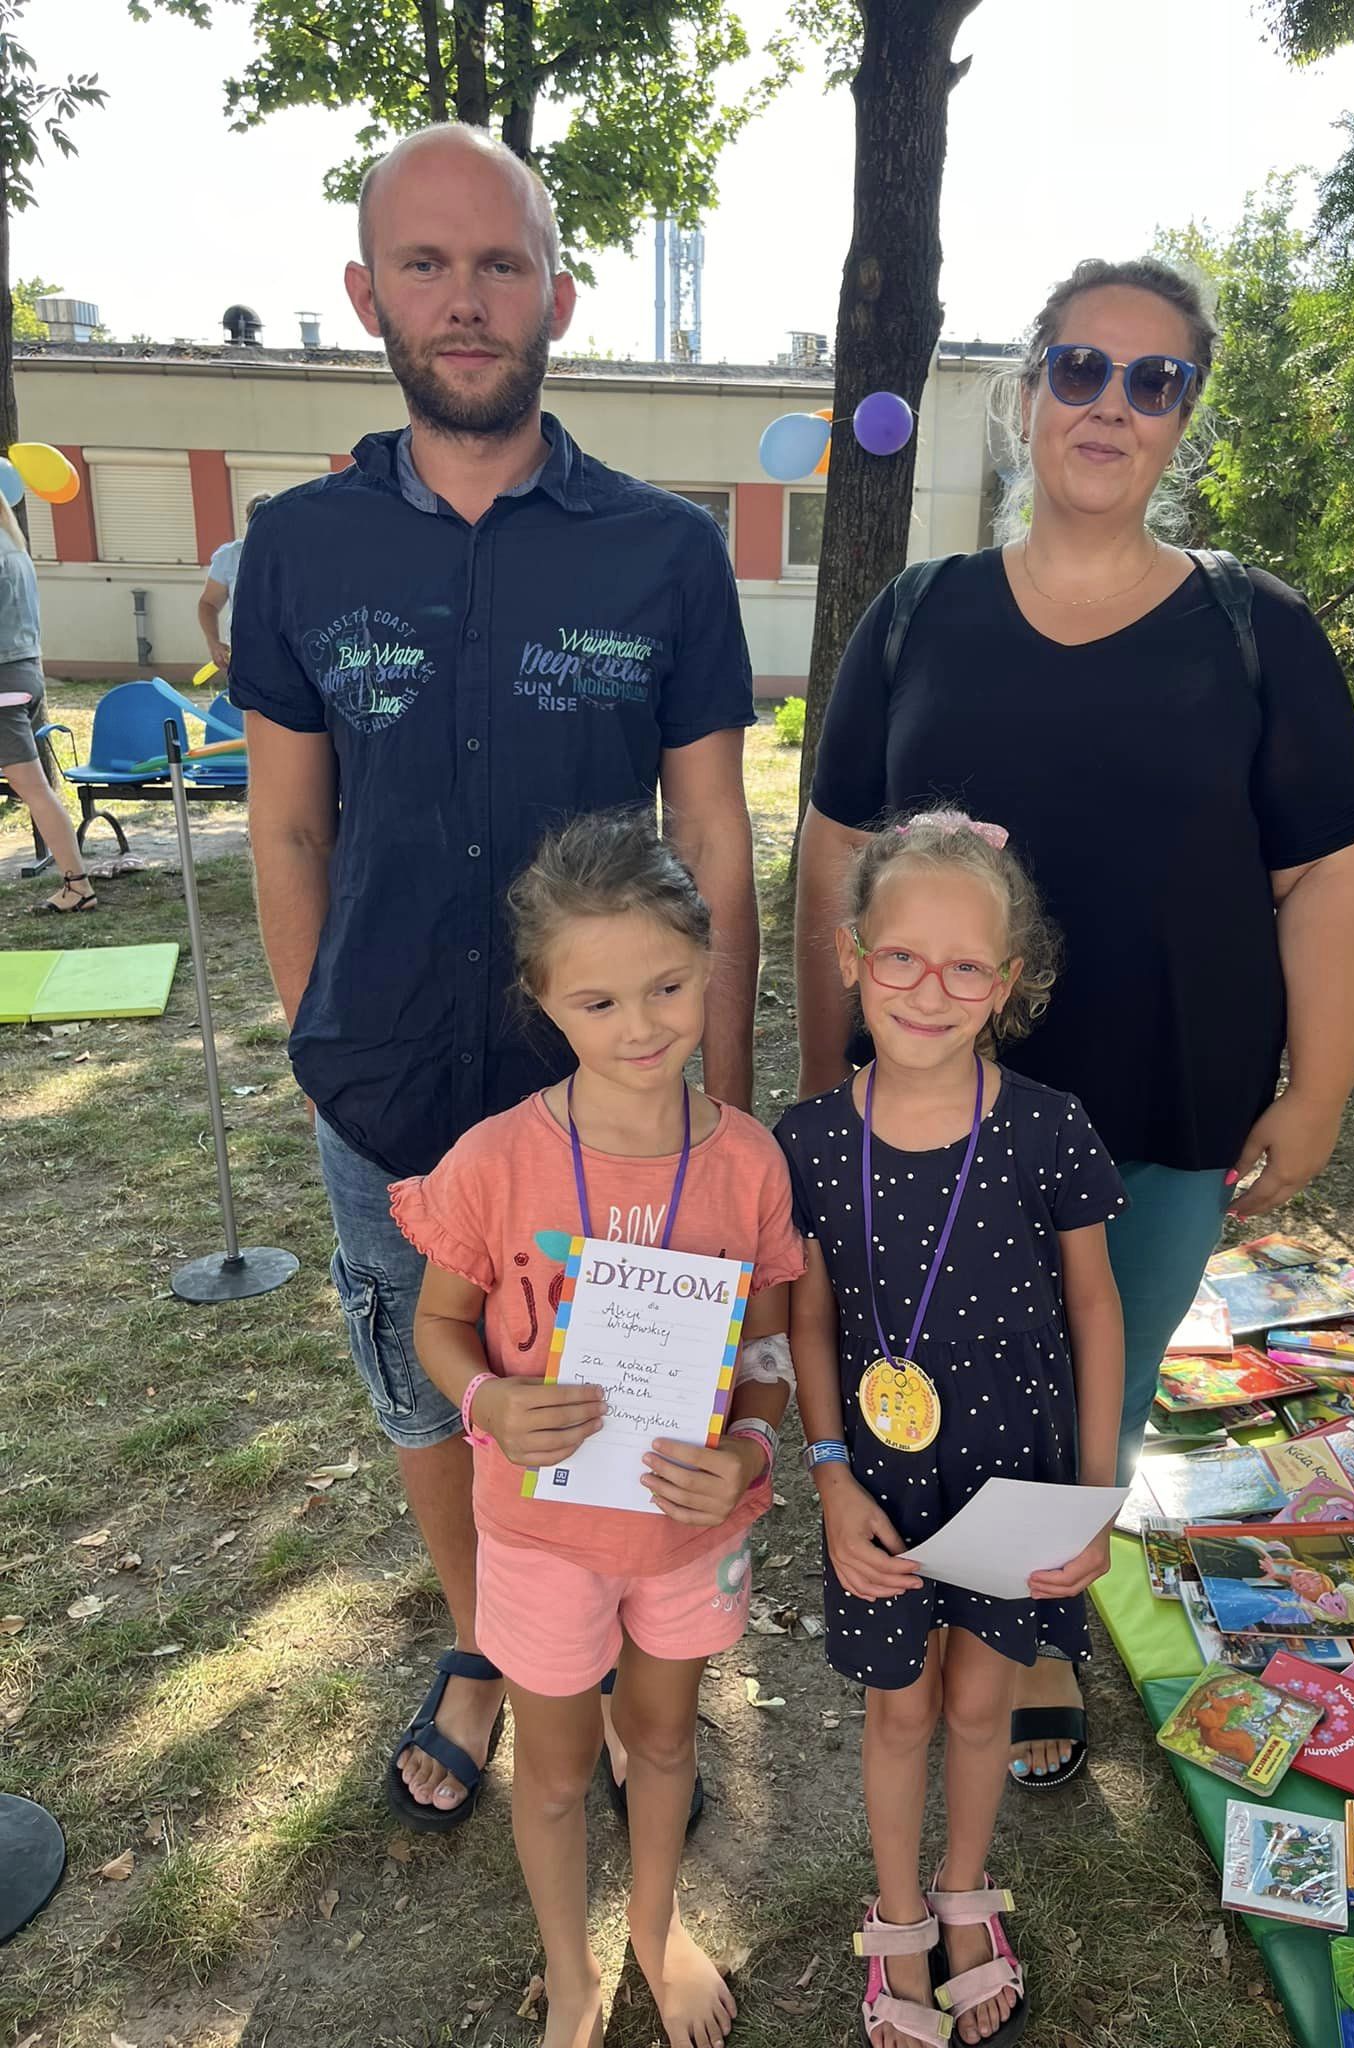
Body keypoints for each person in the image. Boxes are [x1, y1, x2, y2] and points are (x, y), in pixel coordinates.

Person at [229, 124, 760, 1831]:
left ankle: (620, 1644)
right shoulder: (296, 548)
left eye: (500, 265)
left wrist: (719, 1086)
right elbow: (288, 825)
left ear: (557, 295)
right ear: (366, 292)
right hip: (385, 1082)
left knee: (622, 1377)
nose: (465, 301)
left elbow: (713, 828)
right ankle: (492, 1644)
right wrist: (323, 1037)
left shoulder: (664, 552)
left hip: (616, 1094)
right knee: (431, 1376)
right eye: (427, 264)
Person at [793, 257, 1354, 1790]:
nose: (1111, 404)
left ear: (1186, 414)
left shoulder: (1257, 631)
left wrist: (1317, 1089)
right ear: (1027, 390)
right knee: (933, 1367)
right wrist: (813, 1081)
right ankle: (925, 1602)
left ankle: (1031, 1627)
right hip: (926, 1111)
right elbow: (833, 853)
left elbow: (1329, 868)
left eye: (1153, 379)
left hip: (1160, 1106)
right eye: (1080, 368)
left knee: (1091, 1386)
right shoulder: (917, 618)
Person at [393, 811, 803, 2048]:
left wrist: (750, 1449)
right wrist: (486, 1401)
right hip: (539, 1536)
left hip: (687, 1534)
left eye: (669, 985)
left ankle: (659, 1926)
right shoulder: (493, 1160)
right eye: (599, 1000)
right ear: (543, 998)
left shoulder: (749, 1164)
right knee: (559, 1768)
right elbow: (438, 1323)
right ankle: (572, 1966)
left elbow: (769, 1351)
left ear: (709, 962)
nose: (641, 1026)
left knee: (665, 1742)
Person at [778, 811, 1125, 2048]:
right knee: (901, 1710)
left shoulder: (1050, 1125)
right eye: (901, 957)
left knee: (983, 1704)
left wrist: (1094, 1492)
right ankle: (896, 1911)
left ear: (1008, 981)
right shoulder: (808, 1141)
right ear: (850, 955)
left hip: (1016, 1480)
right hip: (878, 1487)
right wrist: (828, 1472)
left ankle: (966, 1890)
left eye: (966, 965)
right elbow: (809, 1318)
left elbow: (1096, 1305)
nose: (930, 989)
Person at [0, 496, 96, 913]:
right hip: (23, 672)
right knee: (34, 788)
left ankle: (78, 885)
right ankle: (77, 884)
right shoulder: (13, 546)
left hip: (4, 680)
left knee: (34, 789)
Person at [196, 493, 273, 670]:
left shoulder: (294, 555)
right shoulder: (230, 557)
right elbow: (208, 604)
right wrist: (213, 642)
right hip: (245, 654)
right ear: (249, 522)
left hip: (289, 656)